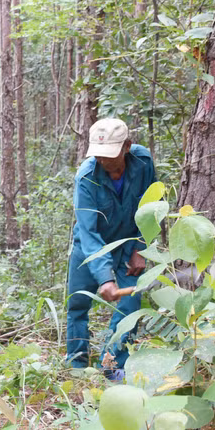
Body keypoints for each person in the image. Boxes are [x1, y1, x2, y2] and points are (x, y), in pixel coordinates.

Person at [66, 118, 156, 380]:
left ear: (127, 146)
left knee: (129, 306)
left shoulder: (144, 163)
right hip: (89, 246)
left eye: (110, 155)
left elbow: (150, 207)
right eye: (99, 156)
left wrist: (141, 247)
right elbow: (88, 230)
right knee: (78, 304)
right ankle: (76, 365)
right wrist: (105, 277)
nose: (104, 161)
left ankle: (111, 366)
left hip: (128, 244)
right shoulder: (86, 177)